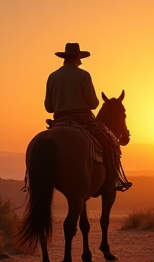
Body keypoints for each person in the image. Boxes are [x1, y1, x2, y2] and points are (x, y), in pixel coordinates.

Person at [44, 43, 131, 192]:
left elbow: (49, 107)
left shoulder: (53, 76)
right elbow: (93, 103)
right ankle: (114, 179)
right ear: (77, 57)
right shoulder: (83, 75)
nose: (81, 61)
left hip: (59, 120)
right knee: (110, 143)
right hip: (82, 119)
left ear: (65, 57)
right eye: (80, 58)